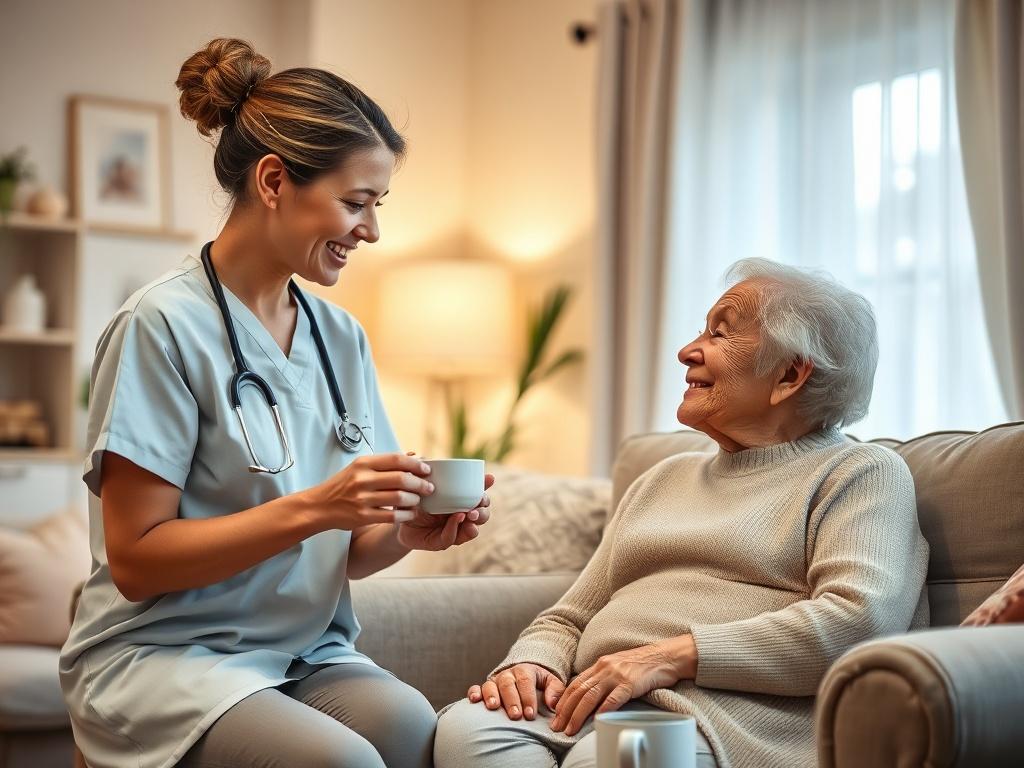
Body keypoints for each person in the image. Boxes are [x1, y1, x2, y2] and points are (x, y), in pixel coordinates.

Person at [60, 37, 492, 768]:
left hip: (302, 652)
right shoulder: (159, 326)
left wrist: (408, 533)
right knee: (343, 762)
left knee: (418, 728)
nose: (373, 230)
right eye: (356, 202)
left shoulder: (339, 337)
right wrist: (320, 506)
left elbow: (347, 551)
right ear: (272, 181)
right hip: (164, 658)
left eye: (377, 204)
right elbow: (136, 560)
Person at [435, 258, 930, 768]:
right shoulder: (663, 477)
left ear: (789, 374)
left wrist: (667, 658)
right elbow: (572, 615)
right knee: (467, 731)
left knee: (610, 759)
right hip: (591, 700)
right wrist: (532, 660)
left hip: (724, 715)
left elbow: (861, 619)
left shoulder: (860, 473)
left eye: (721, 334)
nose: (686, 351)